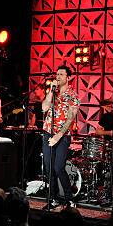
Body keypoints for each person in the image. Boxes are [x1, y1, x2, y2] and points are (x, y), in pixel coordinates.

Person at [41, 65, 80, 208]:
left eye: (61, 74)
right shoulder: (53, 92)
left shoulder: (73, 96)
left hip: (62, 136)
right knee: (49, 168)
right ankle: (53, 198)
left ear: (68, 78)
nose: (58, 77)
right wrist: (51, 91)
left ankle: (69, 199)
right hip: (47, 132)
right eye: (57, 74)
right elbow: (44, 108)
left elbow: (70, 119)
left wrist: (58, 135)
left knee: (58, 167)